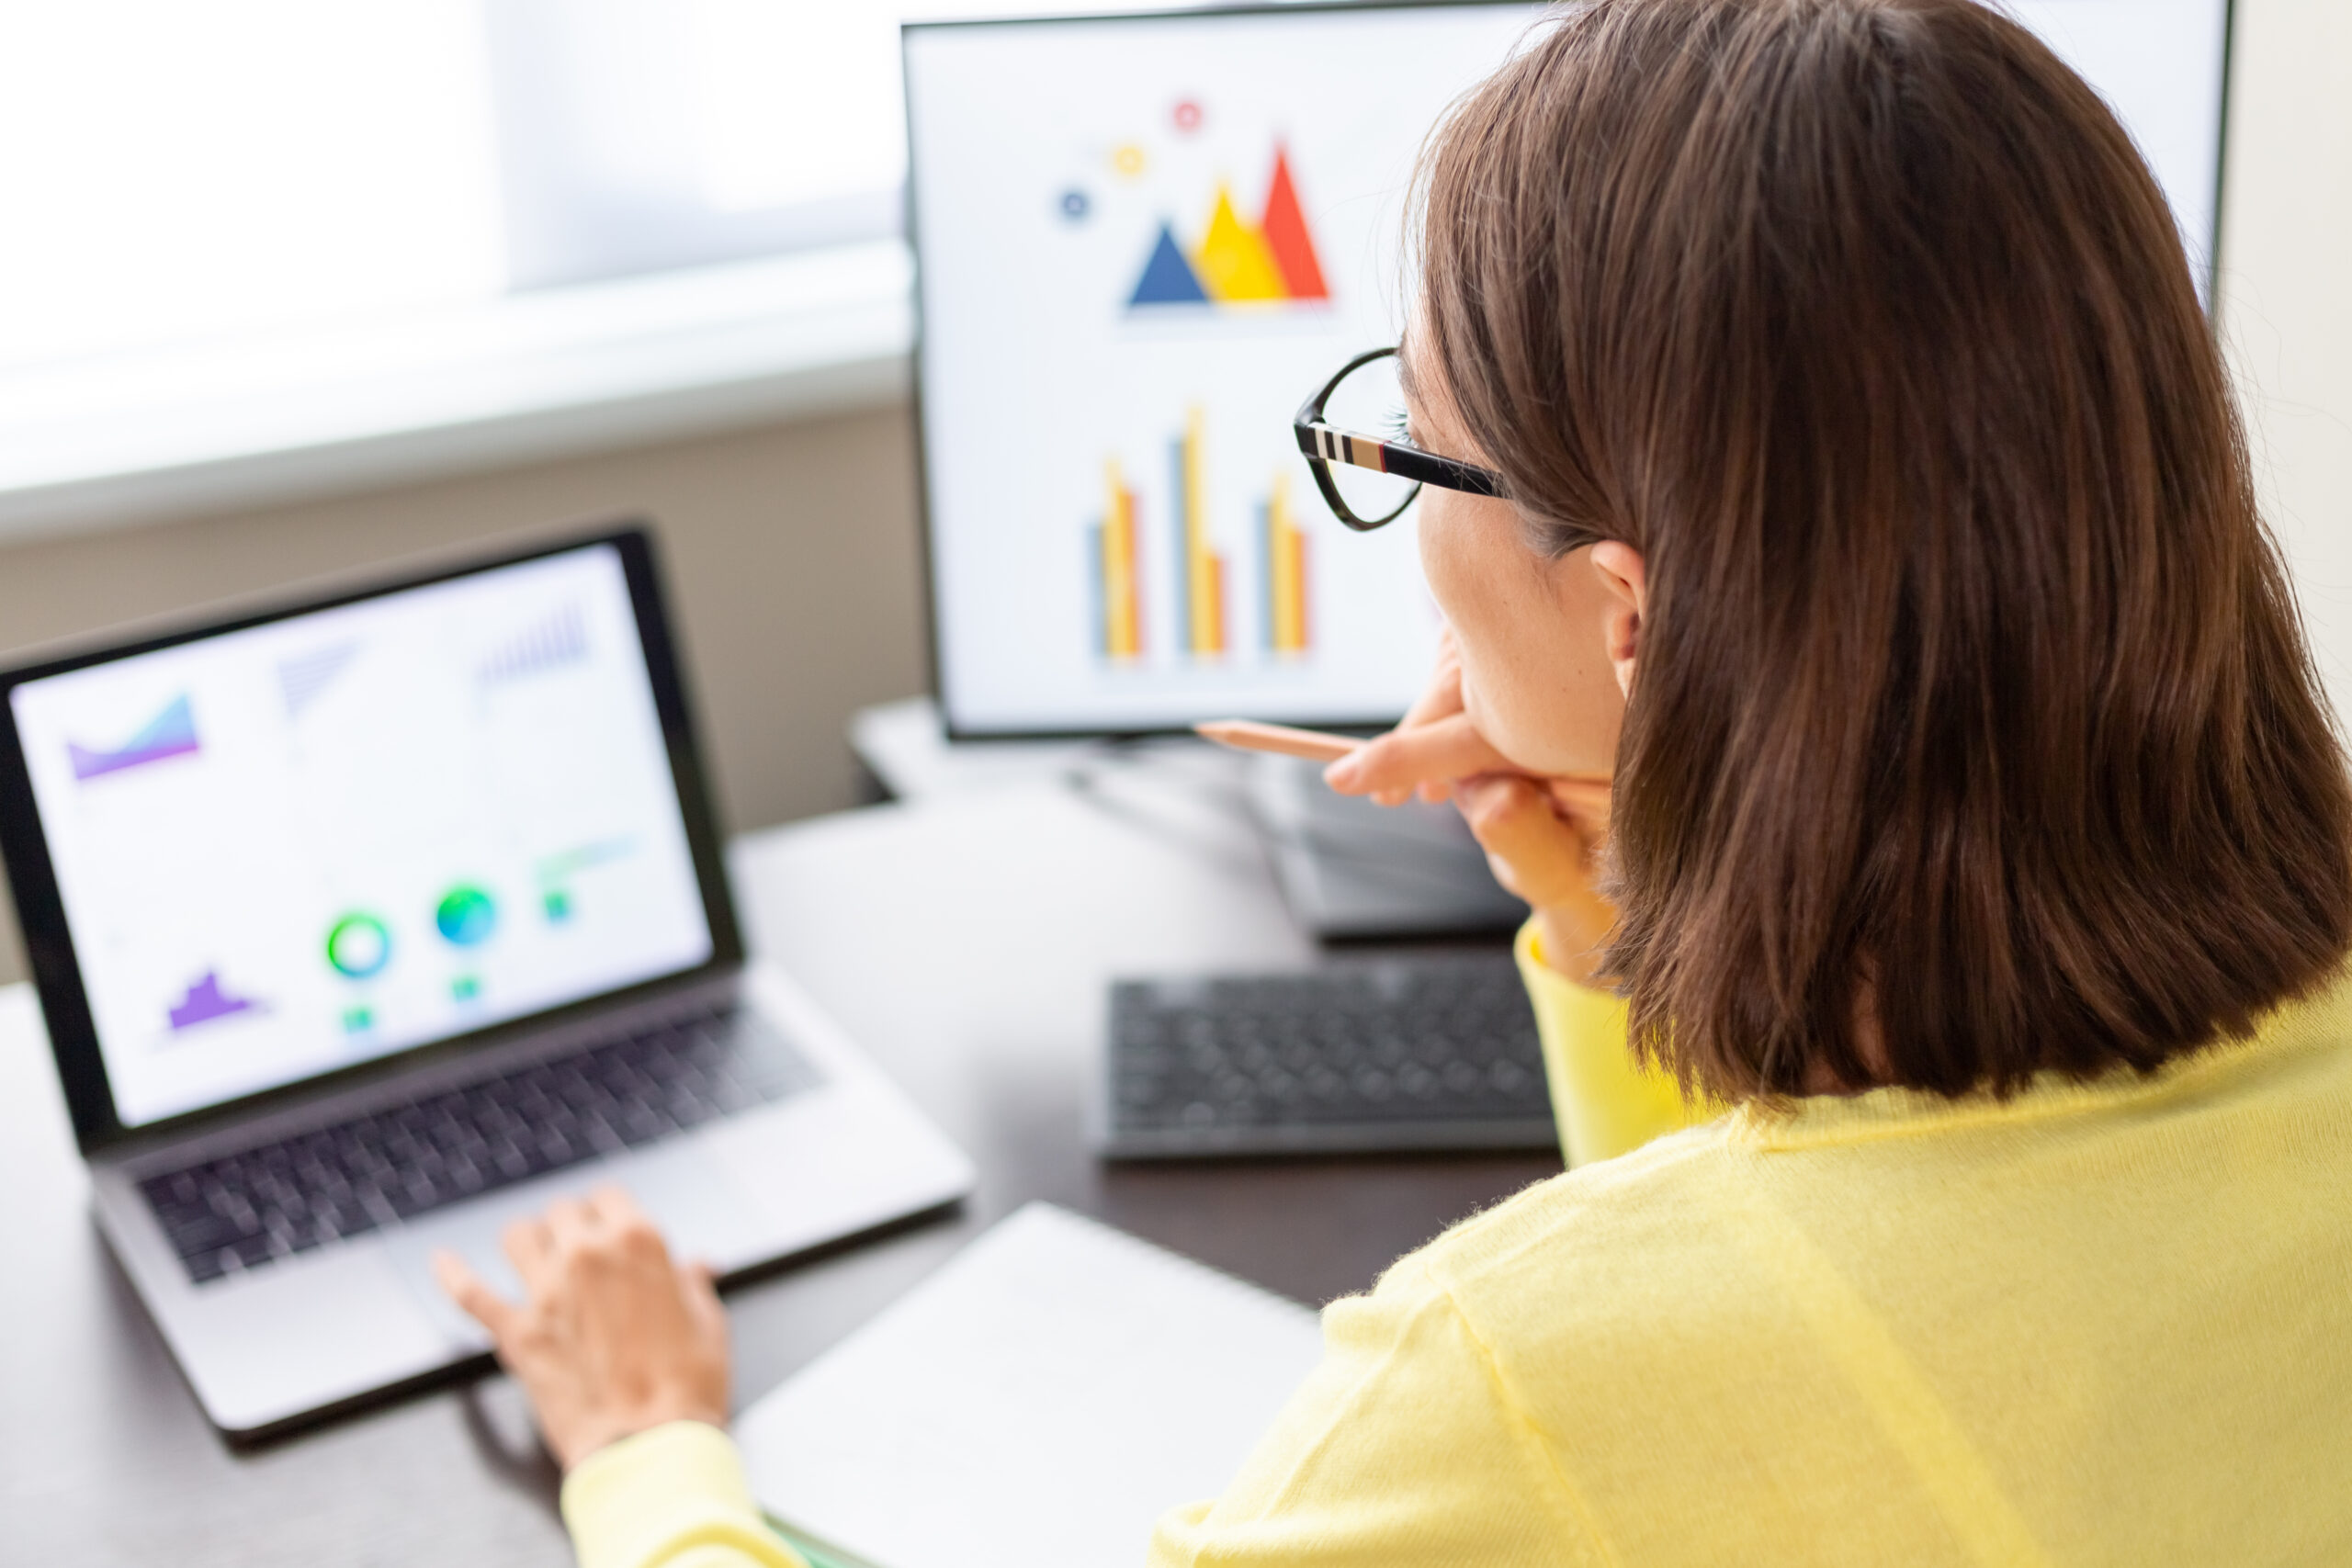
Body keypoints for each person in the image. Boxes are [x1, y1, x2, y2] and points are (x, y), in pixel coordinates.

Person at [437, 0, 2352, 1562]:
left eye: (1407, 450)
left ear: (1627, 617)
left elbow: (1717, 1356)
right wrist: (1624, 952)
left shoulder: (1506, 1375)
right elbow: (1818, 1382)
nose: (1396, 518)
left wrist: (647, 1448)